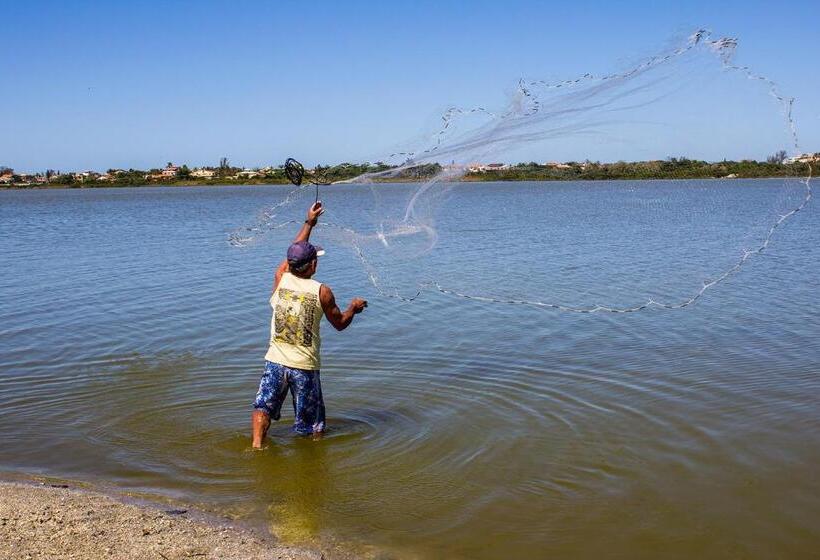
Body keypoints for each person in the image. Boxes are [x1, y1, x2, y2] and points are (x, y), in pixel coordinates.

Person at [251, 201, 367, 448]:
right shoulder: (321, 291)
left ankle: (257, 446)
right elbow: (340, 323)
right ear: (313, 264)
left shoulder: (281, 279)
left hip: (275, 361)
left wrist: (309, 223)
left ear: (291, 264)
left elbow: (290, 254)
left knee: (263, 406)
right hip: (304, 366)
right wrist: (353, 308)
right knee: (313, 424)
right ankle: (311, 458)